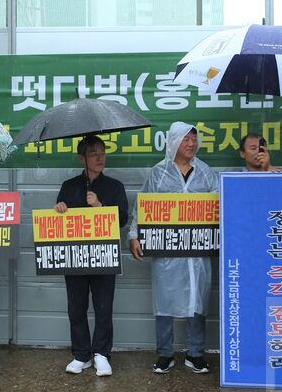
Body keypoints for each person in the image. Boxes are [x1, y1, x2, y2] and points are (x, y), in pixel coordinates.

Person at [129, 122, 219, 374]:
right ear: (173, 142)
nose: (191, 144)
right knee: (165, 300)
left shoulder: (205, 172)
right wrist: (134, 235)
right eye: (186, 139)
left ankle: (195, 353)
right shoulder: (158, 173)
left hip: (197, 251)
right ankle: (165, 354)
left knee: (197, 300)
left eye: (194, 139)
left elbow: (220, 205)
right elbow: (141, 208)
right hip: (166, 250)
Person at [54, 135, 128, 377]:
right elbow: (58, 218)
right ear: (81, 158)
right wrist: (59, 209)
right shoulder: (69, 186)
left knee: (103, 307)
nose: (99, 157)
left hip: (104, 254)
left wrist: (99, 206)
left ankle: (102, 354)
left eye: (102, 152)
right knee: (76, 307)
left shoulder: (115, 186)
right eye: (93, 153)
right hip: (74, 255)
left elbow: (123, 219)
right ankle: (81, 354)